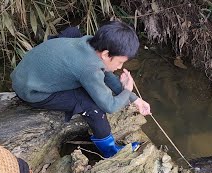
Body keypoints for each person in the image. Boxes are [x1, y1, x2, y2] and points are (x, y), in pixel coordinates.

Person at [10, 21, 151, 158]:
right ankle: (110, 151)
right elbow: (110, 106)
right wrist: (127, 90)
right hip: (32, 92)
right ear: (106, 54)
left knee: (72, 33)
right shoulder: (89, 68)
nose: (120, 67)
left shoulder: (88, 43)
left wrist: (135, 99)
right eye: (120, 62)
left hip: (23, 76)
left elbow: (106, 73)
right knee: (91, 105)